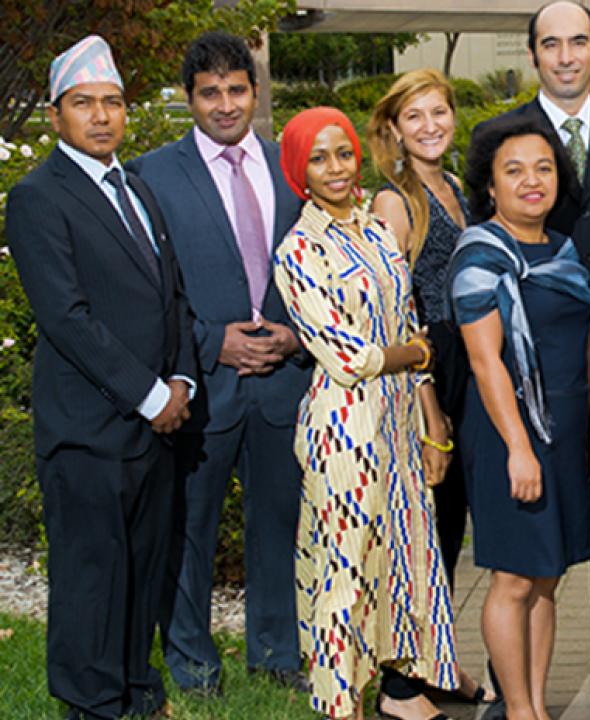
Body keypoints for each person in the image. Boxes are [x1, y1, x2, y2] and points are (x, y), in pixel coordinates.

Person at [5, 35, 197, 719]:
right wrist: (151, 397)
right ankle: (91, 703)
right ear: (56, 116)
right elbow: (67, 318)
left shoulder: (136, 187)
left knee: (141, 573)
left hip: (155, 426)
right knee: (92, 580)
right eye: (83, 104)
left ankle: (135, 691)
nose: (101, 116)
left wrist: (182, 383)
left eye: (112, 102)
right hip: (89, 431)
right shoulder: (37, 198)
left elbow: (171, 296)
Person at [475, 4, 590, 710]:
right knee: (522, 557)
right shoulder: (506, 135)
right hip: (523, 371)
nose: (566, 55)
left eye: (578, 41)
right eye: (551, 43)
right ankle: (513, 692)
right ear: (533, 54)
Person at [128, 31, 308, 695]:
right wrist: (210, 342)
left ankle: (278, 653)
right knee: (190, 526)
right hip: (203, 382)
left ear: (255, 93)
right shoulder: (153, 174)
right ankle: (193, 663)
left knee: (280, 525)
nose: (225, 105)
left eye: (237, 90)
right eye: (210, 93)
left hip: (285, 379)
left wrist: (294, 336)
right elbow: (148, 289)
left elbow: (319, 265)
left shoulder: (291, 166)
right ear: (189, 99)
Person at [272, 107, 458, 720]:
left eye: (343, 153)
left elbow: (408, 323)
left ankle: (395, 694)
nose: (333, 168)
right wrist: (414, 351)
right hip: (345, 429)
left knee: (401, 561)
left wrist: (433, 419)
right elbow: (347, 355)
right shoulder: (297, 250)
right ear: (298, 170)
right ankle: (336, 703)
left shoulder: (379, 232)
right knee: (344, 570)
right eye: (317, 158)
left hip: (402, 423)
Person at [449, 116, 590, 720]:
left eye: (544, 167)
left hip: (569, 429)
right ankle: (518, 711)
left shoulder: (563, 249)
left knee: (549, 577)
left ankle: (536, 706)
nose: (531, 181)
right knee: (514, 578)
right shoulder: (481, 253)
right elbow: (484, 359)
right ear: (490, 186)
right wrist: (519, 446)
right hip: (507, 435)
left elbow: (587, 344)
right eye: (513, 170)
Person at [368, 67, 496, 711]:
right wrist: (430, 411)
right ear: (393, 127)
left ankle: (435, 664)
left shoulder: (454, 190)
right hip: (426, 372)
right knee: (420, 529)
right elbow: (393, 314)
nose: (430, 126)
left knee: (451, 528)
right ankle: (397, 685)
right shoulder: (396, 200)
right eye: (414, 116)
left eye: (439, 112)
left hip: (469, 362)